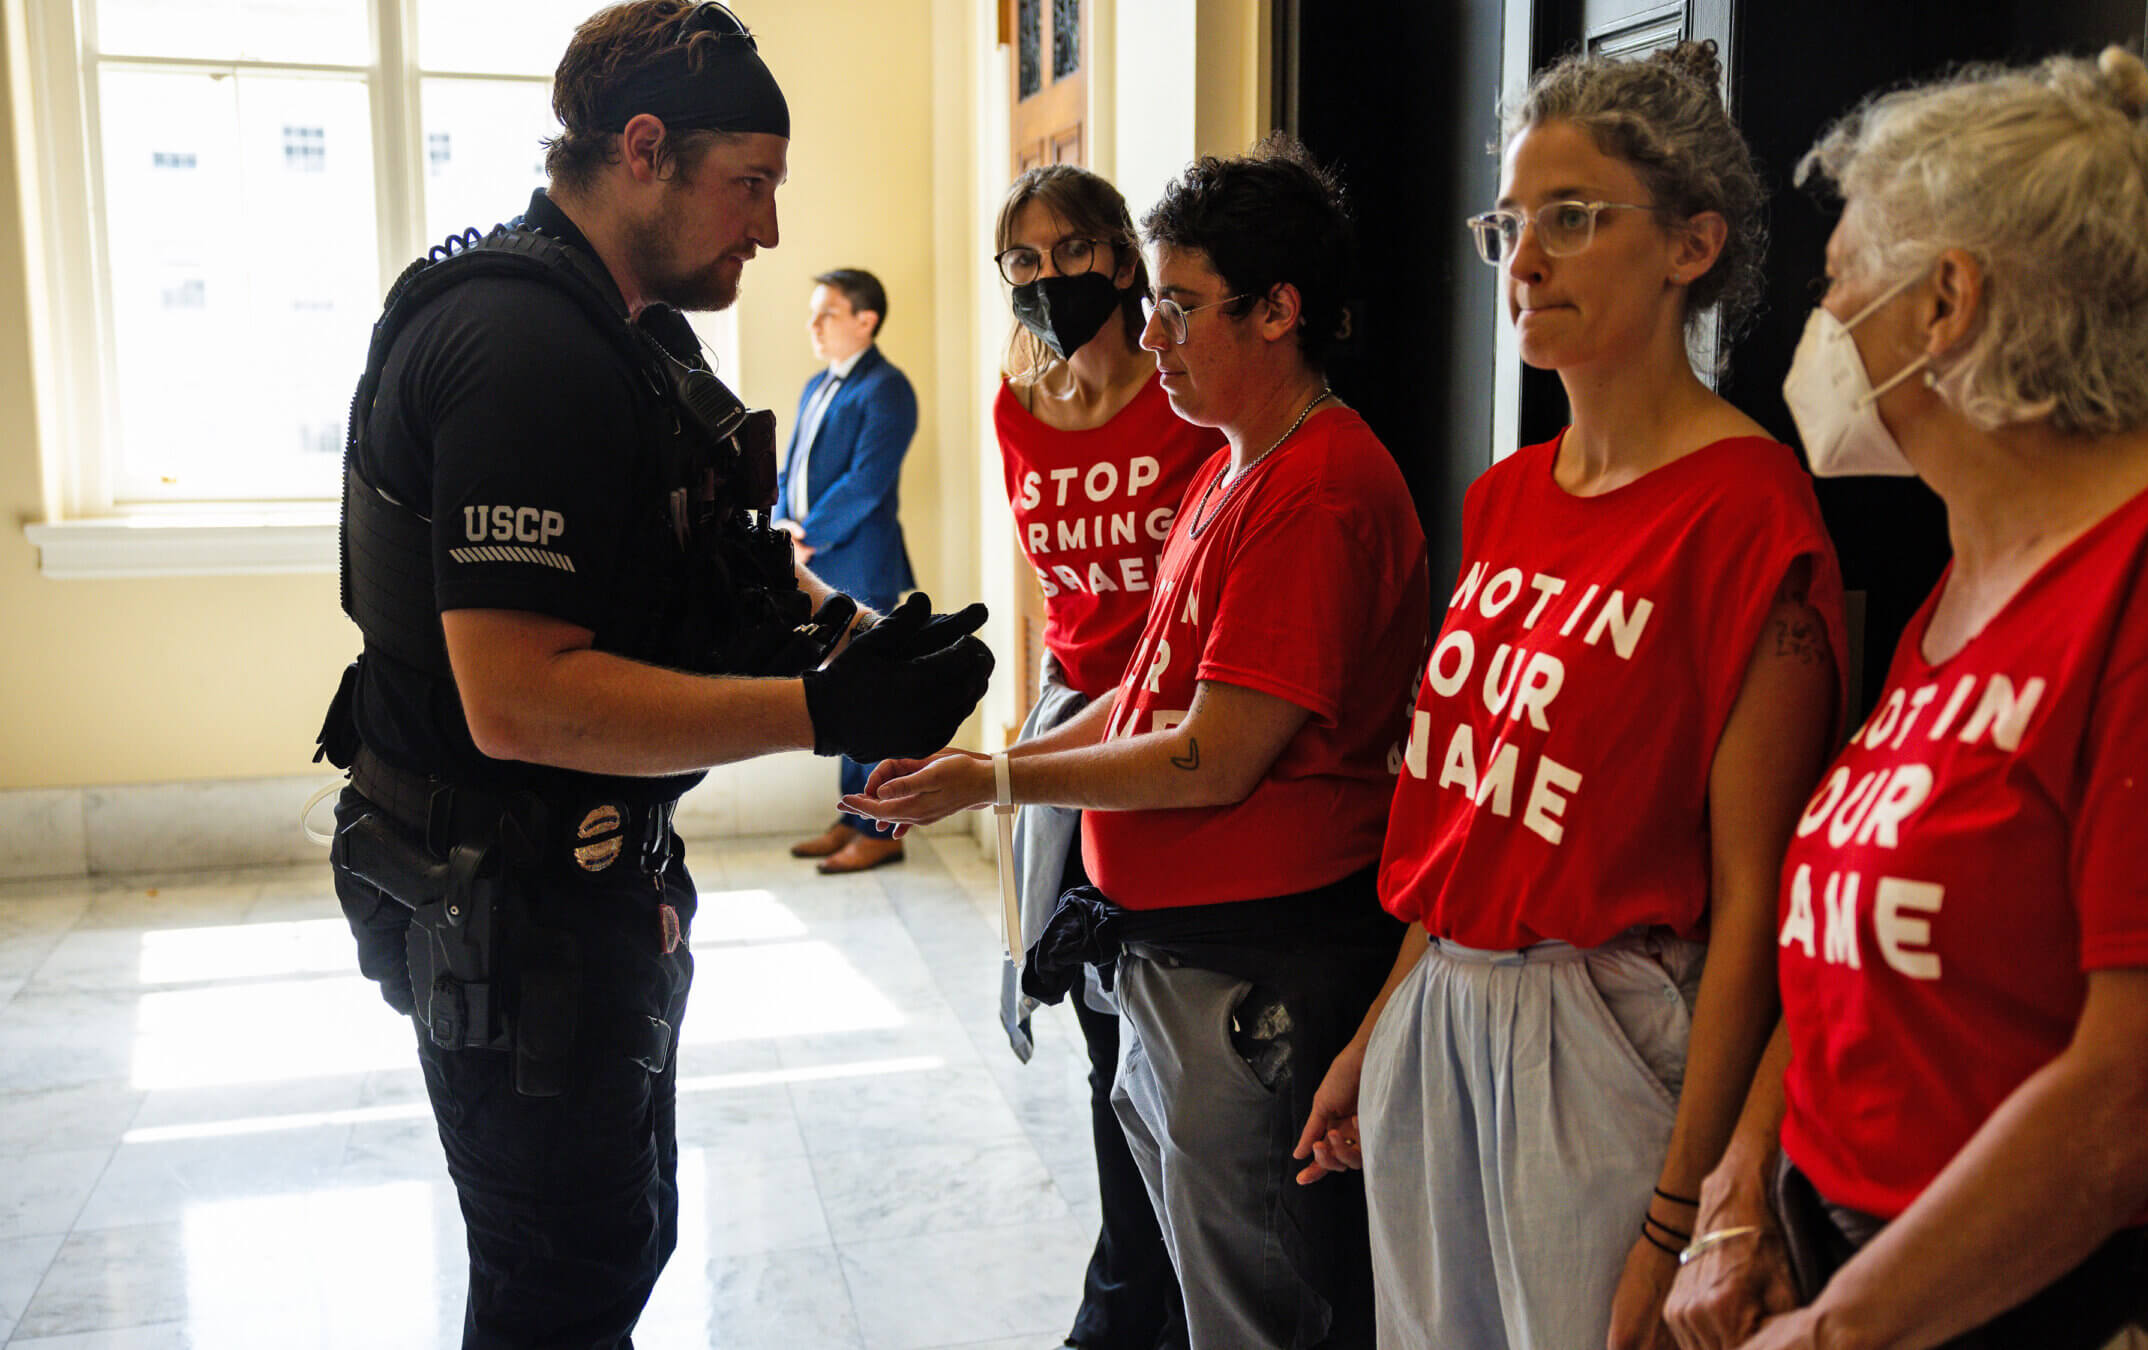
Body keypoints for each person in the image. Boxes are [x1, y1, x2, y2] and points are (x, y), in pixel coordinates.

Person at [1663, 47, 2148, 1350]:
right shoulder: (1972, 568)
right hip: (1882, 1274)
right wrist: (1749, 1196)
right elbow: (1850, 954)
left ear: (1947, 301)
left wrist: (1845, 1331)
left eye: (1840, 291)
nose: (1816, 337)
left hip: (2109, 1292)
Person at [314, 5, 991, 1346]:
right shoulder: (518, 348)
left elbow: (723, 569)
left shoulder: (638, 343)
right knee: (556, 1287)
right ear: (641, 150)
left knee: (627, 1239)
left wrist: (858, 640)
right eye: (753, 184)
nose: (772, 230)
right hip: (503, 903)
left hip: (599, 881)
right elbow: (520, 697)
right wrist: (824, 713)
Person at [1288, 42, 1845, 1350]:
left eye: (1574, 219)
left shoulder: (1747, 508)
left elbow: (1761, 894)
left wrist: (1682, 1215)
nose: (1525, 260)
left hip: (1603, 1025)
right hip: (1444, 1008)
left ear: (1691, 244)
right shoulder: (1510, 495)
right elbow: (1472, 813)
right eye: (1512, 224)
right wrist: (1382, 1030)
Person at [845, 138, 1429, 1350]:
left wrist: (996, 781)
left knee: (1261, 1295)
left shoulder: (1315, 487)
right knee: (1193, 1276)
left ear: (1279, 313)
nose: (1149, 334)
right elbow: (1146, 689)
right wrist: (1001, 770)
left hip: (1254, 962)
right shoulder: (1235, 465)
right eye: (1151, 302)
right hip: (1174, 956)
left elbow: (1213, 752)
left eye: (1175, 305)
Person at [990, 163, 1221, 1350]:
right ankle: (1131, 1290)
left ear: (1123, 260)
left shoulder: (1183, 406)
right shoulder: (1014, 409)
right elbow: (1059, 597)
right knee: (1090, 1008)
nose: (1048, 280)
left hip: (1173, 723)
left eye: (1070, 252)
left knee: (1163, 1017)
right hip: (1073, 713)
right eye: (1022, 263)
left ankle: (1148, 1293)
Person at [779, 266, 922, 872]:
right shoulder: (818, 384)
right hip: (815, 559)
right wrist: (780, 525)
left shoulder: (887, 387)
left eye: (827, 313)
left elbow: (866, 483)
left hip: (858, 559)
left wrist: (805, 538)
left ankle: (883, 832)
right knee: (842, 686)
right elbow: (792, 468)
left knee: (874, 690)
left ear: (867, 320)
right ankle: (852, 817)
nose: (813, 324)